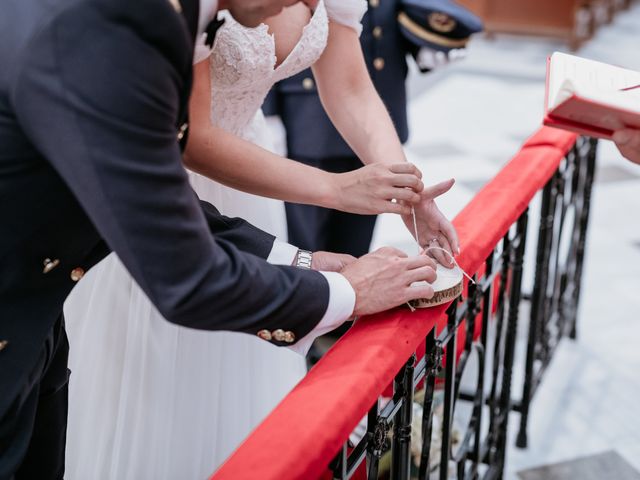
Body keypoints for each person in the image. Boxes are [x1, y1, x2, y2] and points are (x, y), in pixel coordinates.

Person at [0, 0, 442, 478]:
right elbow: (185, 276)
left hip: (39, 315)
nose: (305, 4)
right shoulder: (124, 29)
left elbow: (153, 198)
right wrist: (350, 292)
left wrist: (299, 261)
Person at [265, 0, 482, 258]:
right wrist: (271, 116)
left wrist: (408, 195)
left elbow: (352, 92)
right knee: (305, 249)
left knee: (353, 251)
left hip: (369, 118)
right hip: (301, 125)